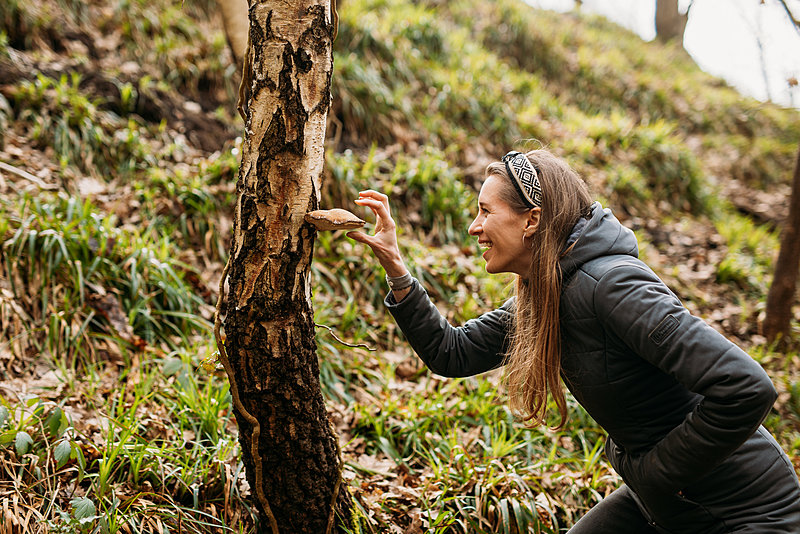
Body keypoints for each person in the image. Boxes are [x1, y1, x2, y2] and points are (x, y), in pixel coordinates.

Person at [347, 149, 800, 533]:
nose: (474, 226)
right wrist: (396, 267)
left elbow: (746, 387)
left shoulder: (613, 285)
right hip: (666, 499)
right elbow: (452, 352)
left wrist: (654, 472)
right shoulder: (545, 293)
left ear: (533, 220)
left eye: (486, 211)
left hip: (749, 510)